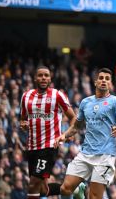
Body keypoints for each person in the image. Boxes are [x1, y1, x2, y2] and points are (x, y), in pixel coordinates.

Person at [46, 68, 116, 199]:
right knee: (65, 189)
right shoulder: (86, 102)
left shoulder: (115, 102)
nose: (104, 81)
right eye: (101, 78)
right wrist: (64, 135)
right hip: (85, 153)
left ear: (110, 83)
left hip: (105, 156)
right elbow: (77, 126)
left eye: (107, 79)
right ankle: (78, 191)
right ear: (96, 82)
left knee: (94, 197)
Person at [20, 66, 77, 199]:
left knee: (33, 183)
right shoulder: (26, 96)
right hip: (32, 147)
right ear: (35, 78)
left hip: (49, 147)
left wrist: (66, 134)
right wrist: (23, 125)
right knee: (42, 189)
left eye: (46, 75)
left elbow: (74, 118)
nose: (43, 78)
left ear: (50, 78)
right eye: (40, 75)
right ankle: (73, 188)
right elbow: (23, 120)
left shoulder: (57, 95)